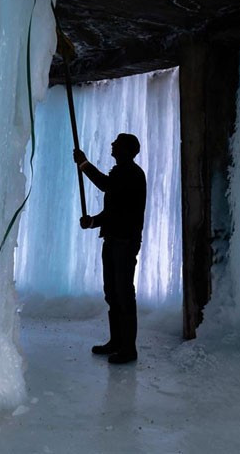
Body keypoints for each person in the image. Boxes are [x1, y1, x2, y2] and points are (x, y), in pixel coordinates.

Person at [73, 133, 146, 364]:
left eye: (117, 143)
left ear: (127, 150)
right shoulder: (122, 173)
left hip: (124, 242)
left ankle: (128, 349)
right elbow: (113, 210)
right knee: (113, 293)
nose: (112, 145)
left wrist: (84, 164)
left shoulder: (132, 174)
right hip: (115, 240)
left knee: (123, 294)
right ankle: (117, 342)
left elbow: (107, 186)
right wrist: (93, 222)